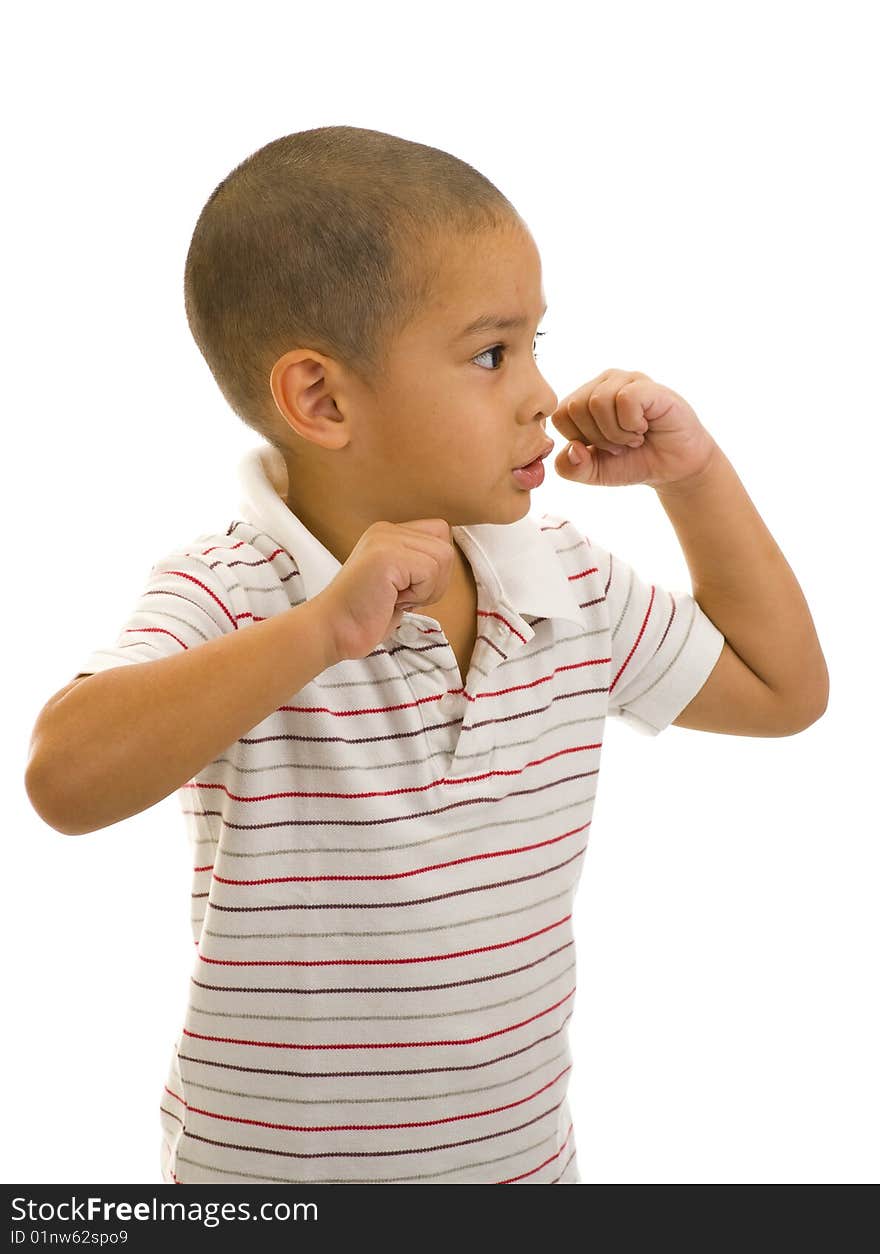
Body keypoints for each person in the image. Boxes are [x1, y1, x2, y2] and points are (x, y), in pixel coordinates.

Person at [24, 125, 829, 1185]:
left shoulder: (567, 584)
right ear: (322, 400)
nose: (540, 392)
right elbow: (64, 780)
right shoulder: (234, 594)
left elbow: (783, 693)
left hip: (520, 1176)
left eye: (538, 342)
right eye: (492, 353)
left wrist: (695, 476)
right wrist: (321, 631)